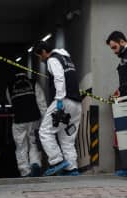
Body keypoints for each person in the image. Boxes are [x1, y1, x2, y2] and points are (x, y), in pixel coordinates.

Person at [33, 41, 82, 176]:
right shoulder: (67, 59)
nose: (40, 59)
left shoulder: (52, 59)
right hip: (77, 104)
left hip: (63, 101)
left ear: (43, 52)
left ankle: (56, 161)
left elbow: (59, 78)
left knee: (44, 131)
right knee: (67, 137)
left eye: (39, 56)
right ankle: (72, 168)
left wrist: (59, 100)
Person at [6, 73, 47, 177]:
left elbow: (11, 103)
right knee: (33, 142)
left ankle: (25, 171)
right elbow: (41, 103)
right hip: (34, 119)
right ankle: (35, 164)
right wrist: (45, 120)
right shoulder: (33, 83)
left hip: (18, 120)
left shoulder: (9, 87)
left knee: (20, 146)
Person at [106, 31, 127, 177]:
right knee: (124, 136)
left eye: (114, 47)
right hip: (124, 100)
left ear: (121, 41)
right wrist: (119, 92)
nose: (114, 52)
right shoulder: (123, 58)